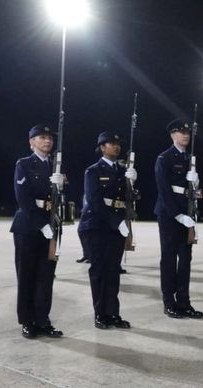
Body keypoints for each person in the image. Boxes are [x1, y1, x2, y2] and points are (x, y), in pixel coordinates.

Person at [78, 132, 136, 329]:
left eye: (118, 144)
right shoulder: (93, 171)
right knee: (99, 271)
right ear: (102, 147)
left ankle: (113, 313)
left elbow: (130, 199)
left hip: (116, 227)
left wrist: (133, 182)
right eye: (111, 143)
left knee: (113, 271)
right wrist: (115, 221)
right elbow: (94, 201)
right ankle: (100, 314)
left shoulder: (122, 171)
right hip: (96, 226)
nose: (116, 146)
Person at [10, 125, 63, 340]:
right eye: (42, 137)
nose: (47, 141)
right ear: (31, 142)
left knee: (46, 276)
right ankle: (27, 321)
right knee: (27, 275)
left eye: (49, 138)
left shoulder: (55, 166)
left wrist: (61, 186)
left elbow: (59, 201)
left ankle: (43, 320)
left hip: (52, 226)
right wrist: (42, 225)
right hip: (29, 227)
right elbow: (23, 198)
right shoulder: (24, 164)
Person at [154, 120, 203, 319]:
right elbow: (164, 190)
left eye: (188, 132)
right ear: (172, 135)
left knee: (185, 260)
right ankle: (169, 302)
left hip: (187, 213)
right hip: (169, 215)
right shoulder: (164, 158)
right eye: (181, 132)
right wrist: (178, 214)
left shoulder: (189, 159)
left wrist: (196, 186)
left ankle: (184, 301)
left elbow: (190, 191)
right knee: (168, 259)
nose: (186, 135)